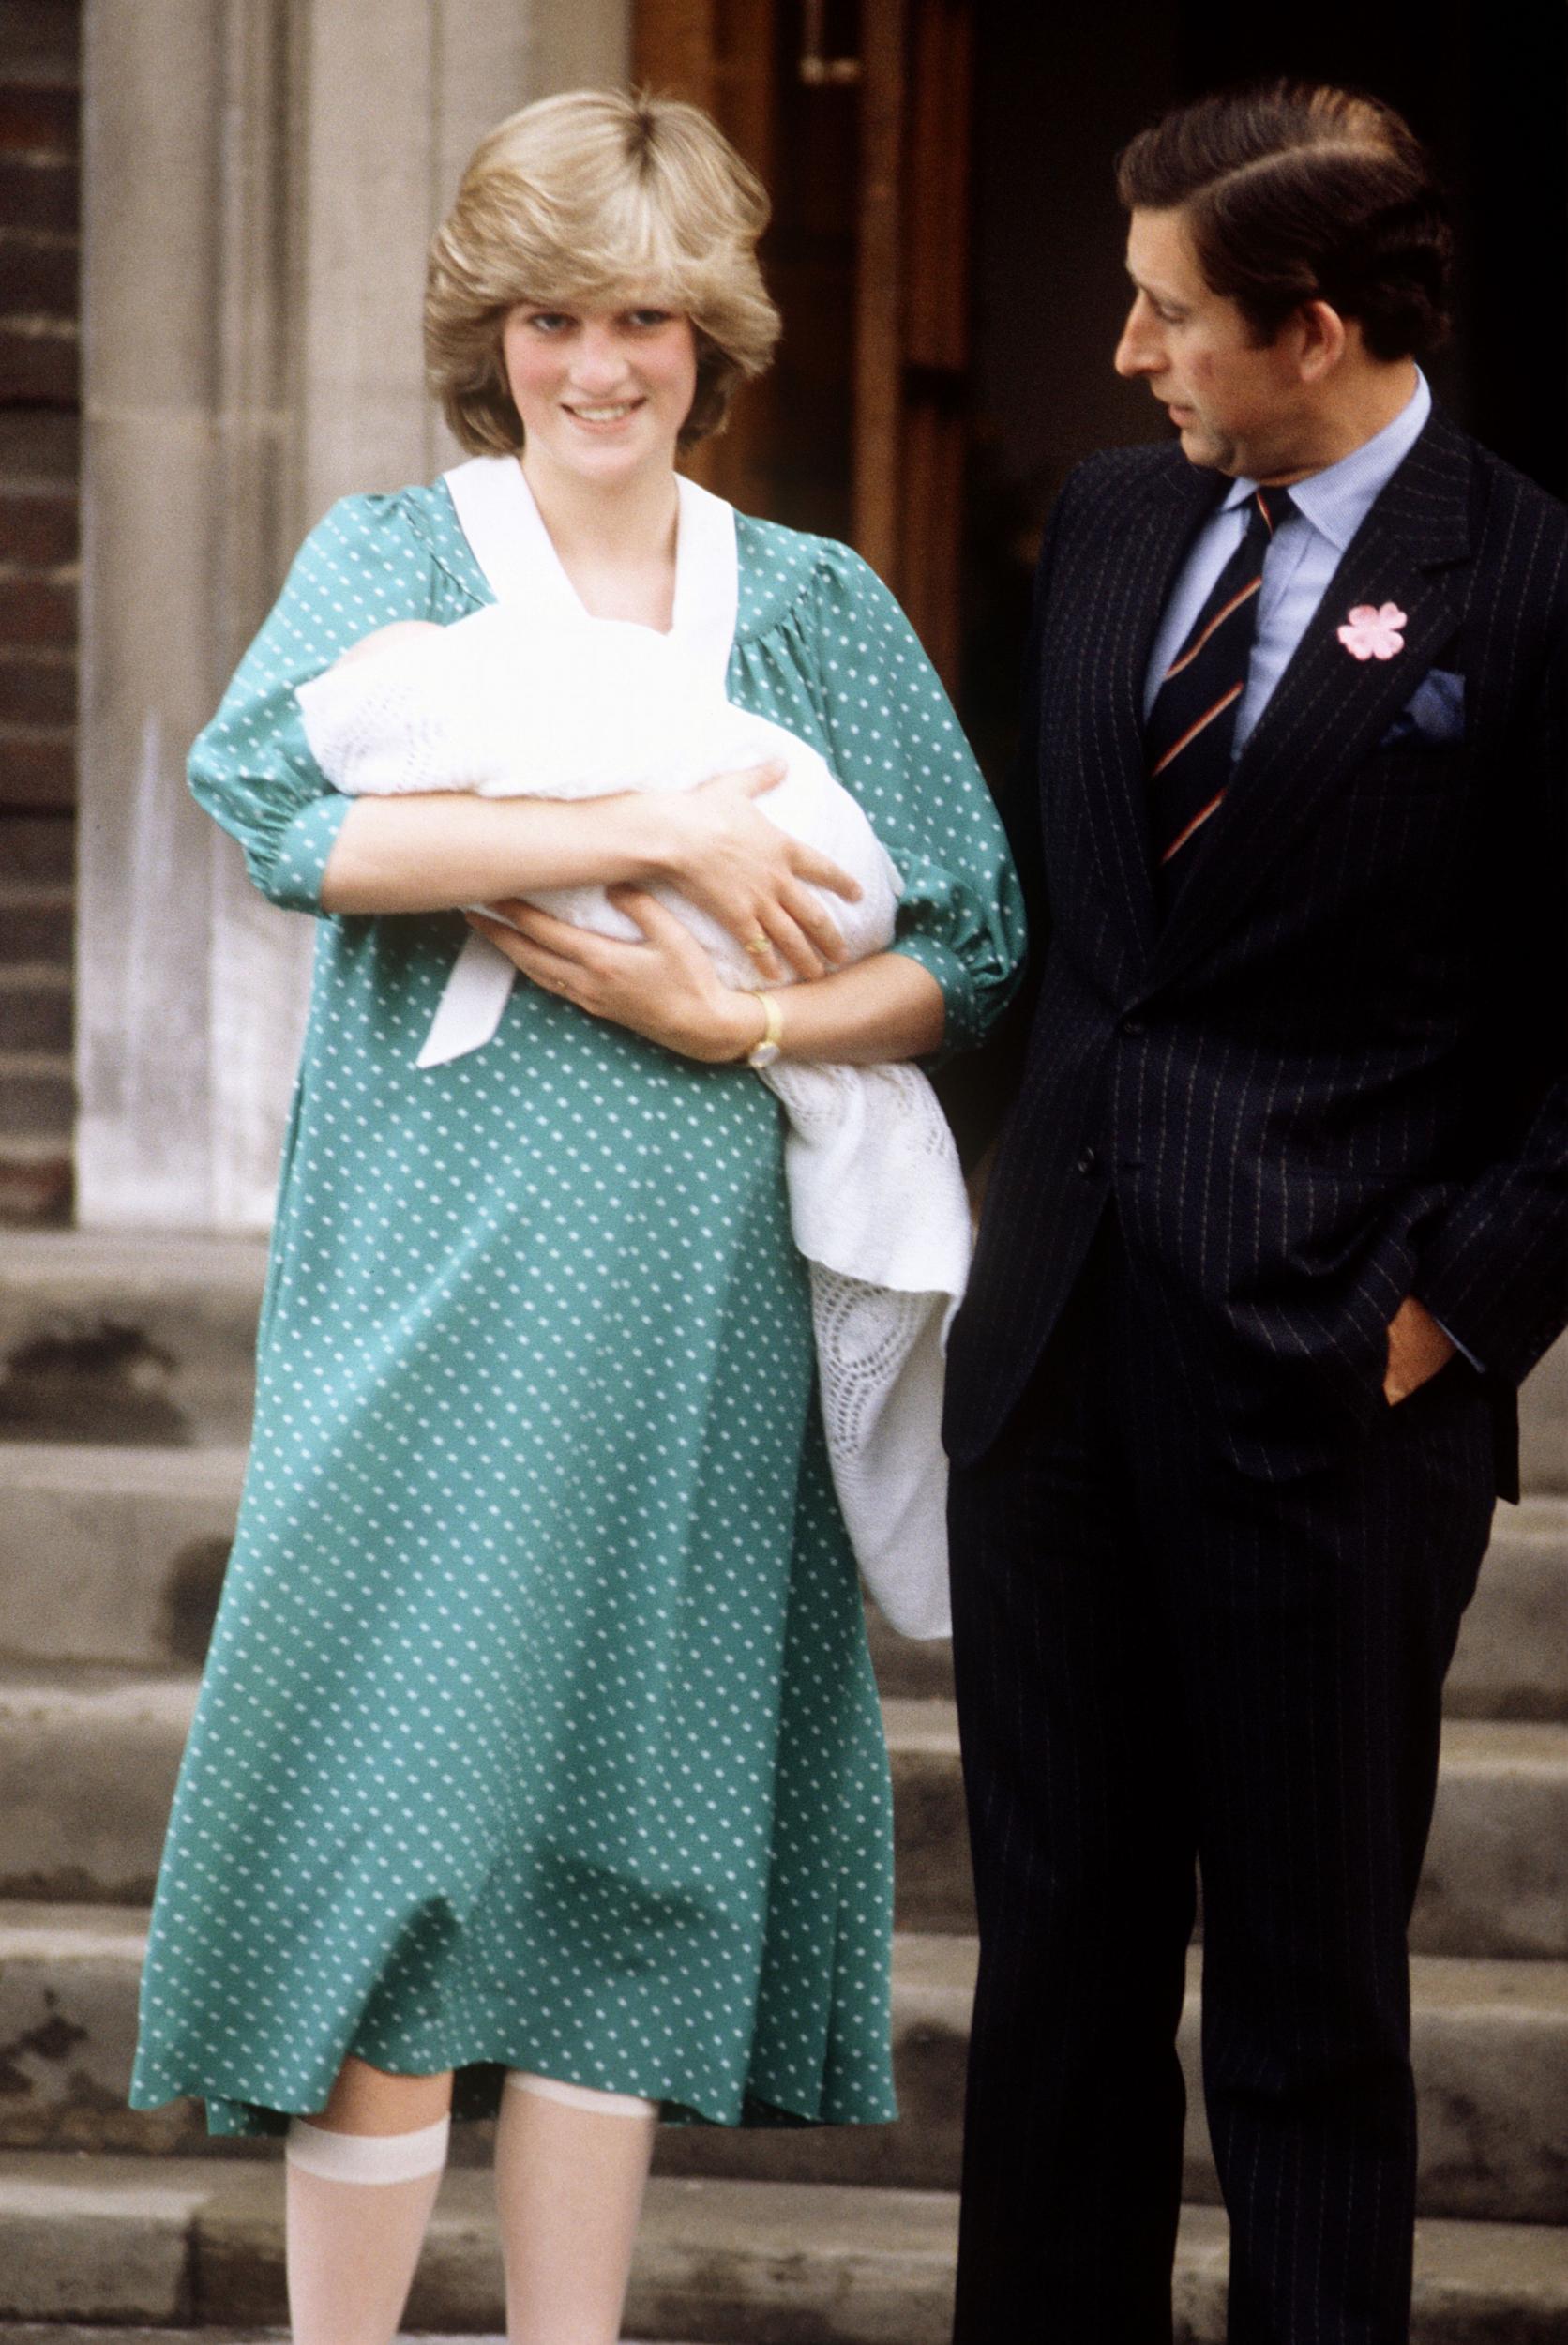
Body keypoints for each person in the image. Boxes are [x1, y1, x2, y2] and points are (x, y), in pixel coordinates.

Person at [128, 88, 1022, 2345]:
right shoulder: (392, 558)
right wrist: (652, 823)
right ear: (489, 333)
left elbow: (979, 941)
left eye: (640, 317)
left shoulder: (807, 605)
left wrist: (739, 1012)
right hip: (427, 1283)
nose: (597, 368)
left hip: (695, 1306)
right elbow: (278, 812)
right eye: (550, 319)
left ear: (710, 336)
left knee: (625, 1852)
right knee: (379, 1838)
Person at [943, 80, 1566, 2342]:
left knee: (1305, 2022)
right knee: (1055, 2001)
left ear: (1305, 327)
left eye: (1164, 313)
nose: (1122, 356)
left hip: (1332, 1404)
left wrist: (1449, 1316)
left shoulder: (1525, 575)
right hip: (1056, 1379)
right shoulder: (1110, 529)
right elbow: (1062, 925)